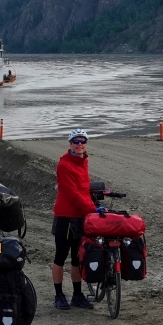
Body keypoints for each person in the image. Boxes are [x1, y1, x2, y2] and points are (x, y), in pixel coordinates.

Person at [51, 128, 103, 310]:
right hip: (66, 216)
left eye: (83, 141)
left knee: (77, 258)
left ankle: (77, 295)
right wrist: (93, 208)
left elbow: (83, 189)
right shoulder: (64, 165)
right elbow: (72, 194)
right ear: (70, 143)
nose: (80, 144)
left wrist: (93, 202)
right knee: (60, 257)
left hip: (81, 215)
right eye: (76, 141)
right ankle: (58, 295)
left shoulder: (83, 161)